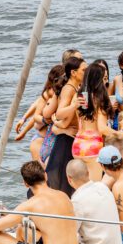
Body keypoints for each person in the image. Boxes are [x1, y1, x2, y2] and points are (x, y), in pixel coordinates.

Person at [74, 64, 123, 182]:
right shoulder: (99, 99)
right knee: (94, 186)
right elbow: (102, 129)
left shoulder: (80, 97)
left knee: (81, 185)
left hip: (78, 144)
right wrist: (122, 134)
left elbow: (80, 123)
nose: (105, 81)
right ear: (99, 80)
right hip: (93, 146)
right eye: (104, 78)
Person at [66, 159, 122, 244]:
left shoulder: (77, 201)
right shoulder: (103, 187)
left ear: (69, 179)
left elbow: (70, 234)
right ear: (88, 173)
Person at [45, 56, 86, 196]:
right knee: (62, 181)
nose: (86, 72)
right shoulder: (68, 89)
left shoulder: (76, 86)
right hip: (66, 141)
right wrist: (74, 106)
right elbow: (61, 112)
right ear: (73, 72)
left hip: (71, 136)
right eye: (83, 70)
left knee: (66, 180)